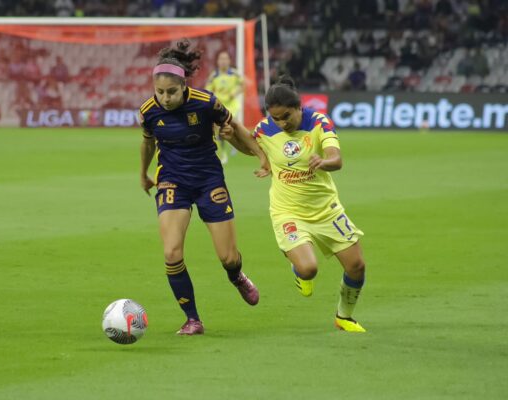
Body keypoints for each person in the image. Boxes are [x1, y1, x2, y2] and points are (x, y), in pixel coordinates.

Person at [139, 40, 266, 336]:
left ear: (184, 86)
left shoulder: (206, 102)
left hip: (209, 180)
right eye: (160, 92)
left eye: (172, 92)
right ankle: (192, 318)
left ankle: (236, 276)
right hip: (172, 180)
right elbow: (147, 142)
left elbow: (233, 129)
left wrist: (260, 155)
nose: (166, 98)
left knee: (228, 257)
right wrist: (143, 174)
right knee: (171, 253)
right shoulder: (148, 111)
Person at [221, 76, 368, 333]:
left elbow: (336, 158)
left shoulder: (319, 123)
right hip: (287, 211)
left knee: (357, 266)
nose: (282, 123)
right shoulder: (266, 128)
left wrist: (324, 162)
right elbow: (252, 148)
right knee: (309, 269)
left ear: (299, 107)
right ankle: (298, 268)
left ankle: (344, 316)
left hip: (325, 210)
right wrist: (232, 137)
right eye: (276, 118)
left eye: (286, 116)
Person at [205, 50, 244, 164]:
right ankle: (223, 153)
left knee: (232, 125)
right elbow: (208, 89)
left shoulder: (235, 74)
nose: (223, 61)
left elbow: (242, 85)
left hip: (232, 106)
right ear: (217, 61)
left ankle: (236, 144)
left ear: (229, 61)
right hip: (219, 106)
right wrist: (213, 96)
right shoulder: (214, 75)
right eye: (221, 59)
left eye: (225, 59)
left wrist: (235, 93)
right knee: (218, 129)